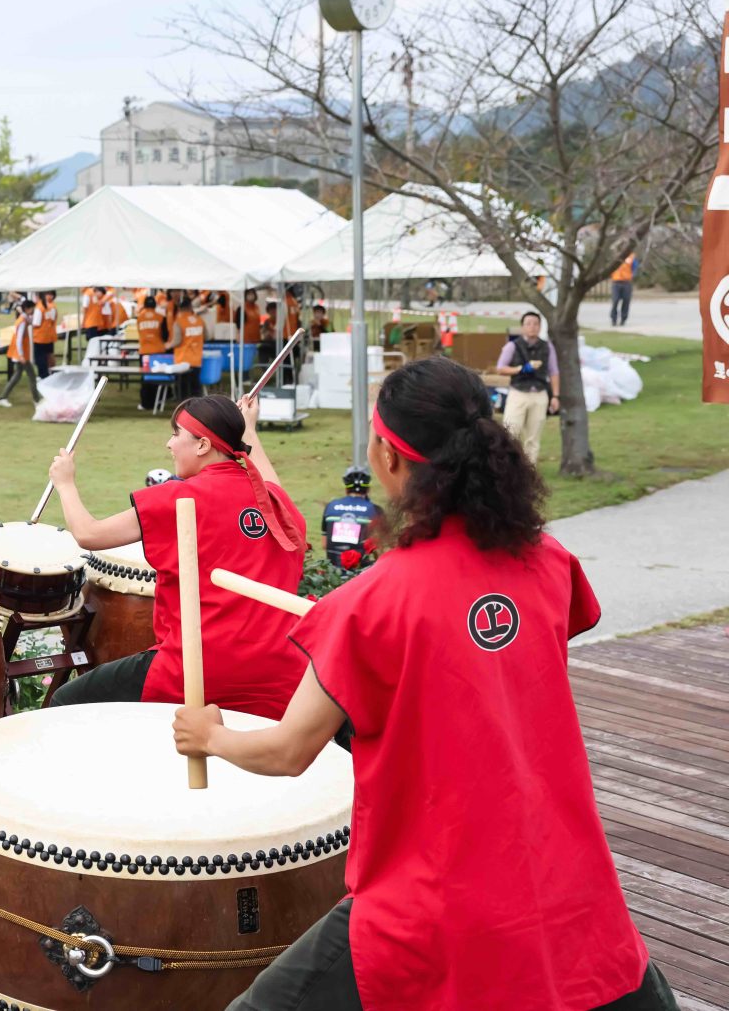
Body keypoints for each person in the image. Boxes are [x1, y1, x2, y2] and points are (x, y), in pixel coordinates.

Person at [176, 358, 676, 1011]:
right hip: (569, 887)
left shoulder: (373, 603)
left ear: (386, 456)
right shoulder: (551, 563)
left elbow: (289, 749)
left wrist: (211, 735)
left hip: (433, 903)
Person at [47, 395, 307, 715]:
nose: (169, 444)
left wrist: (65, 483)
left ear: (201, 445)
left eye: (175, 434)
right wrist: (249, 430)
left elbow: (89, 534)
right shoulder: (275, 501)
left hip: (198, 668)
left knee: (64, 704)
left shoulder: (180, 496)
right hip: (280, 671)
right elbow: (269, 482)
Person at [494, 311, 561, 465]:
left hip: (539, 393)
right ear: (523, 327)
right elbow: (500, 368)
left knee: (533, 437)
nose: (532, 327)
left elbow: (554, 371)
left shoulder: (547, 347)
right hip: (518, 393)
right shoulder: (512, 346)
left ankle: (530, 470)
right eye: (528, 324)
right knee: (511, 432)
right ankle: (508, 467)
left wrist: (555, 396)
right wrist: (520, 369)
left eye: (535, 324)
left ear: (540, 326)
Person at [321, 465, 384, 572]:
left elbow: (324, 544)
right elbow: (380, 548)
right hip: (361, 571)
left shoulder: (331, 506)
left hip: (333, 571)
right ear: (368, 489)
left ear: (346, 489)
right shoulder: (375, 510)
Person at [0, 297, 40, 409]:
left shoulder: (23, 319)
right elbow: (19, 340)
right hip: (21, 354)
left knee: (17, 376)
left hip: (20, 353)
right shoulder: (22, 322)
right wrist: (21, 355)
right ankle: (36, 400)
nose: (34, 311)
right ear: (28, 309)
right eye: (32, 309)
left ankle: (2, 397)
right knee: (32, 377)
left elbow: (30, 321)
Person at [135, 294, 169, 410]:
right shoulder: (161, 317)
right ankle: (157, 402)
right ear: (155, 305)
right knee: (157, 378)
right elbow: (165, 335)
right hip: (158, 352)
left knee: (145, 378)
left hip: (144, 352)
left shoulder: (139, 318)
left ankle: (145, 403)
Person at [170, 292, 207, 397]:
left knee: (183, 389)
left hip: (182, 359)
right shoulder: (199, 320)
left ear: (180, 308)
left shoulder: (178, 321)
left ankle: (183, 410)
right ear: (190, 306)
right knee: (195, 388)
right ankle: (198, 410)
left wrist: (167, 345)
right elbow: (207, 336)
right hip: (196, 358)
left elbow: (177, 341)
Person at [33, 290, 59, 378]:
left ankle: (43, 375)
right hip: (49, 335)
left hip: (40, 336)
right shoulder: (52, 306)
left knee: (40, 357)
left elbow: (36, 323)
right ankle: (53, 372)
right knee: (49, 355)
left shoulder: (40, 307)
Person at [610, 252, 638, 327]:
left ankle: (623, 319)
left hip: (626, 282)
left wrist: (632, 275)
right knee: (615, 301)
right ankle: (614, 319)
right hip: (616, 282)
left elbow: (635, 268)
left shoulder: (632, 257)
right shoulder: (616, 255)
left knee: (626, 301)